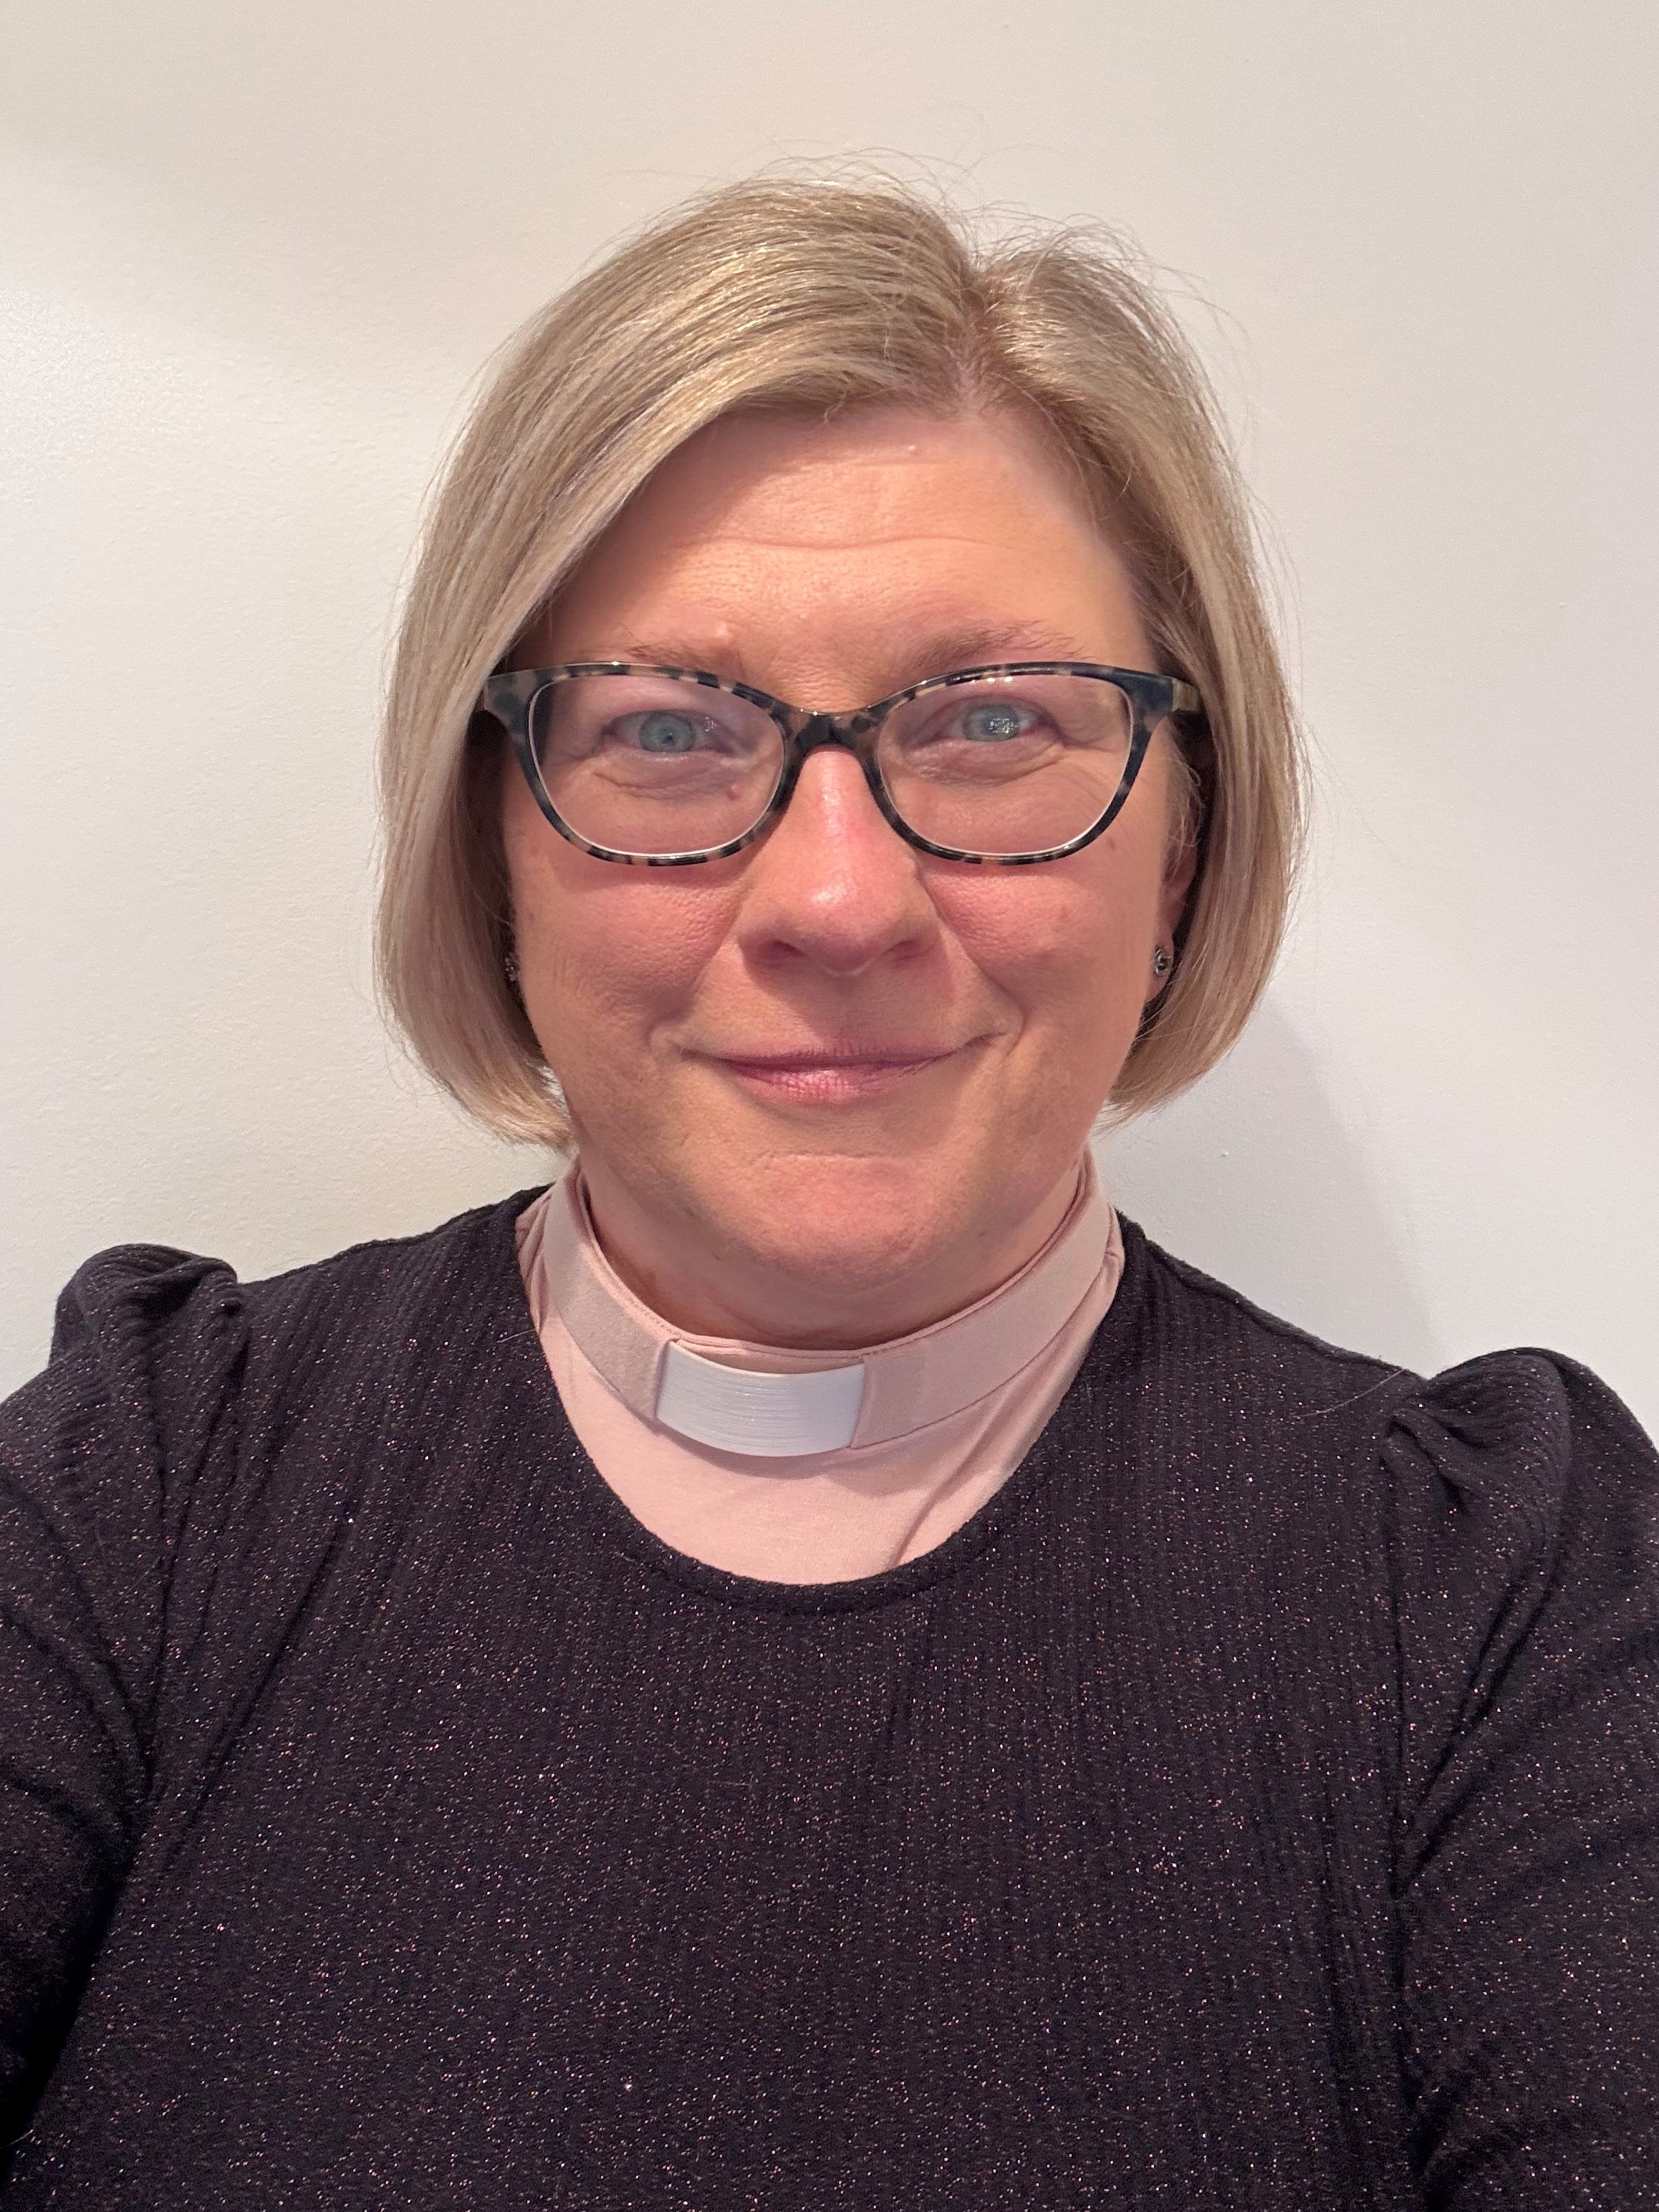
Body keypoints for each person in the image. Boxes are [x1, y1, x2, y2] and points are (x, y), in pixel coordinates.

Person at [1, 177, 1653, 2209]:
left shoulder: (1487, 1587)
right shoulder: (159, 1480)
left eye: (991, 727)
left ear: (1181, 852)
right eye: (672, 731)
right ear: (489, 849)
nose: (836, 897)